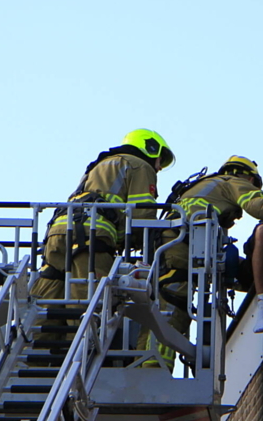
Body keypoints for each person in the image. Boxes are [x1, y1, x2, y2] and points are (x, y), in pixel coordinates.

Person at [142, 156, 263, 368]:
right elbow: (261, 207)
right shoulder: (234, 181)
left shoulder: (202, 187)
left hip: (167, 247)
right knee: (173, 307)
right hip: (182, 248)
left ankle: (145, 363)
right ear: (249, 177)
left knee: (162, 302)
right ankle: (154, 370)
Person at [30, 129, 175, 311]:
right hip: (92, 236)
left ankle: (33, 339)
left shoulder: (99, 165)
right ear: (150, 148)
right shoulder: (140, 166)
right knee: (88, 305)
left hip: (58, 232)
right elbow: (142, 215)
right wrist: (146, 245)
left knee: (47, 303)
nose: (159, 167)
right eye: (160, 160)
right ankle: (82, 339)